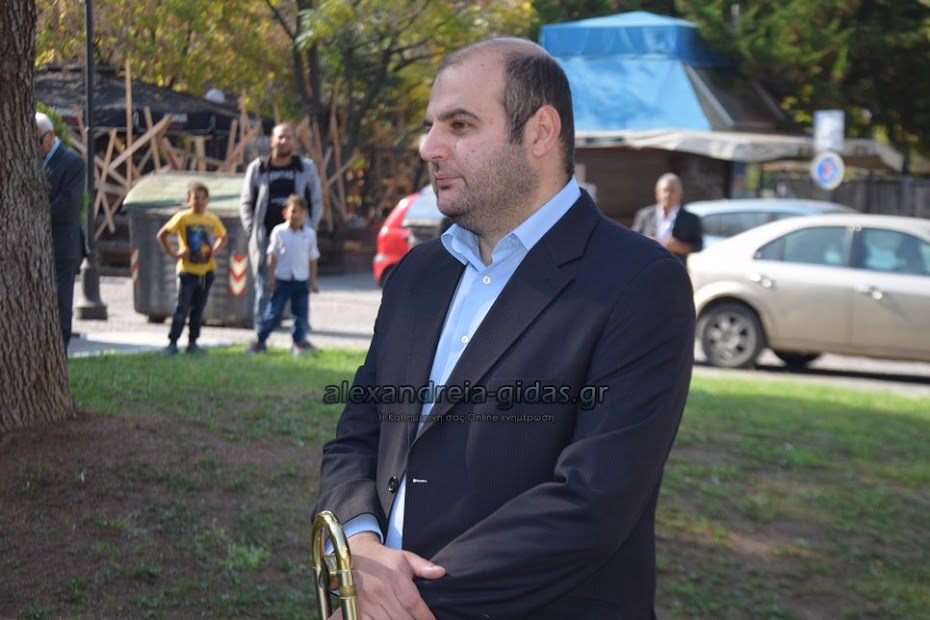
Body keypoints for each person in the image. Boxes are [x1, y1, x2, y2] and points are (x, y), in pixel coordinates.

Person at [314, 37, 695, 618]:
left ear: (540, 132)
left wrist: (406, 602)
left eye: (460, 125)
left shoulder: (641, 282)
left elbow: (593, 498)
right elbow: (359, 431)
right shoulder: (417, 274)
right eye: (430, 126)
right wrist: (359, 549)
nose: (429, 147)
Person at [239, 122, 323, 334]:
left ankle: (300, 336)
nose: (284, 141)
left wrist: (309, 229)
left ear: (295, 142)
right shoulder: (259, 168)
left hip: (296, 237)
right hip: (266, 237)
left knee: (299, 287)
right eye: (280, 137)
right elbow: (246, 202)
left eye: (289, 137)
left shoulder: (305, 168)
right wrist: (251, 230)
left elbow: (316, 201)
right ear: (271, 141)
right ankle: (261, 334)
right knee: (264, 285)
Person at [156, 181, 228, 356]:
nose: (199, 202)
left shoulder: (212, 220)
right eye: (196, 198)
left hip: (206, 271)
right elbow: (162, 234)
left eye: (203, 198)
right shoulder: (183, 218)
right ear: (189, 200)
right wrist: (175, 253)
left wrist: (214, 251)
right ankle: (173, 342)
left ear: (208, 200)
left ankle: (193, 342)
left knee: (198, 309)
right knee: (182, 308)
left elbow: (223, 236)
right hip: (187, 271)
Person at [246, 194, 320, 356]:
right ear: (285, 213)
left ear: (305, 214)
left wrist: (313, 281)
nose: (296, 215)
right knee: (273, 313)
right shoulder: (279, 232)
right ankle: (260, 341)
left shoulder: (309, 234)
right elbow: (272, 256)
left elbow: (313, 258)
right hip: (283, 280)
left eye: (299, 212)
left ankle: (298, 343)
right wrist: (271, 279)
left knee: (301, 314)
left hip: (301, 280)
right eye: (293, 211)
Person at [36, 112, 85, 350]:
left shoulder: (72, 162)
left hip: (62, 247)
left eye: (37, 141)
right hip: (37, 246)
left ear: (51, 136)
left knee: (61, 304)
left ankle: (60, 355)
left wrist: (33, 216)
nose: (33, 147)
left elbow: (67, 203)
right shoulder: (31, 160)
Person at [631, 172, 704, 263]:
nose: (668, 195)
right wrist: (647, 241)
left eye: (672, 191)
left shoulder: (690, 218)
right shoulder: (645, 215)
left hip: (675, 266)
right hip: (648, 265)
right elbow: (632, 239)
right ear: (657, 193)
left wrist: (680, 247)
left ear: (680, 194)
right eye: (665, 190)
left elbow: (698, 246)